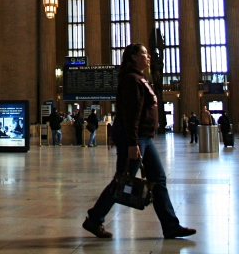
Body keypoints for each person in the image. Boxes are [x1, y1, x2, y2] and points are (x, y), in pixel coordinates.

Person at [82, 43, 195, 240]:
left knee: (158, 180)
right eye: (144, 53)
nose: (148, 56)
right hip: (135, 138)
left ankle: (170, 226)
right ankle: (94, 218)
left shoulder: (140, 79)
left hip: (145, 138)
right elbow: (131, 115)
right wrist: (133, 143)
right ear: (133, 57)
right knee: (122, 180)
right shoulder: (132, 81)